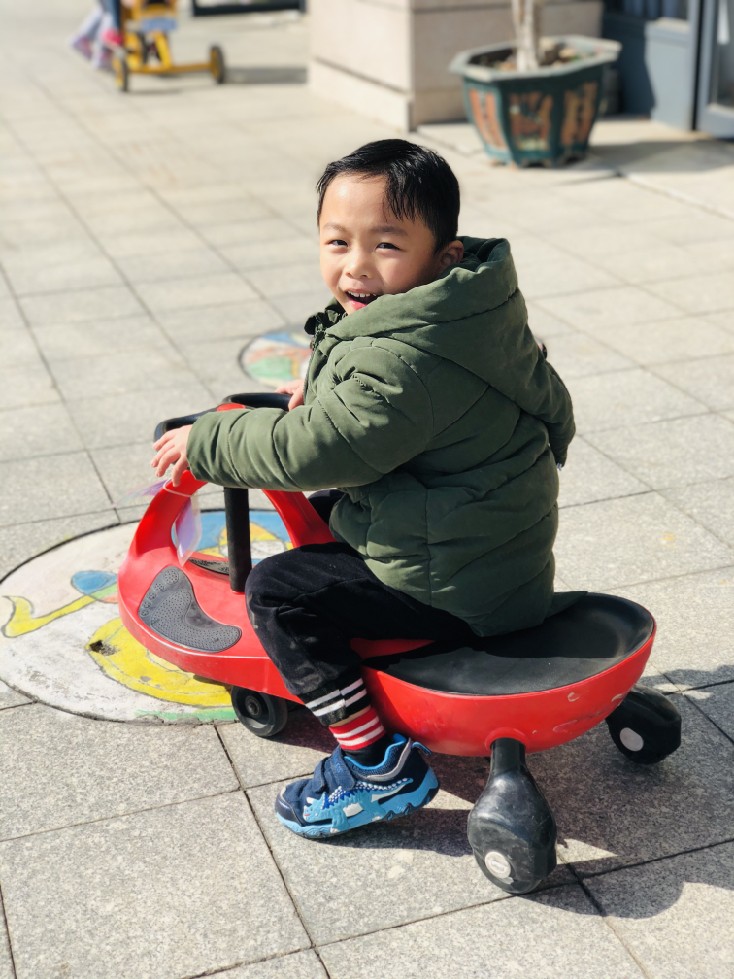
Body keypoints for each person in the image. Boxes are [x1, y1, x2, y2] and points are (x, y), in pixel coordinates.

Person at [151, 139, 575, 840]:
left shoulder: (403, 363)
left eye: (386, 244)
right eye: (337, 241)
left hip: (453, 584)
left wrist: (210, 441)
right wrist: (321, 383)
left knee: (279, 593)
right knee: (327, 516)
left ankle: (375, 764)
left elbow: (318, 449)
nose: (356, 265)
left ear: (442, 254)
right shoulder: (469, 316)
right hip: (488, 548)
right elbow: (527, 403)